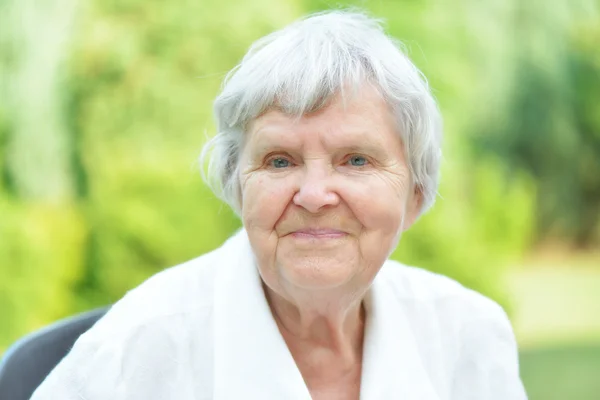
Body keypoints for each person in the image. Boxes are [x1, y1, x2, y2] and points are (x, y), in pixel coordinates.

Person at [31, 10, 527, 400]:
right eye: (279, 161)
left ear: (415, 195)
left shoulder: (469, 334)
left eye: (355, 160)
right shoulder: (136, 350)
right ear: (237, 186)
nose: (313, 195)